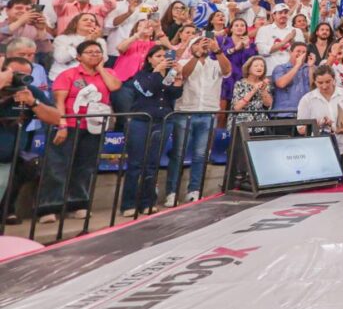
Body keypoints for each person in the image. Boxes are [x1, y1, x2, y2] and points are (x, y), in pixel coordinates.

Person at [37, 40, 122, 222]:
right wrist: (62, 125)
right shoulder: (67, 74)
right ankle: (48, 207)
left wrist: (100, 69)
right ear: (78, 57)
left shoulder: (108, 73)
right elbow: (59, 102)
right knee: (57, 166)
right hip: (69, 125)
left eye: (98, 52)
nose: (95, 55)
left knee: (85, 167)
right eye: (89, 52)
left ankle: (78, 204)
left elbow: (114, 87)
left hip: (94, 127)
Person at [165, 36, 229, 206]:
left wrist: (218, 51)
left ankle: (194, 190)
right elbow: (183, 74)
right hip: (185, 112)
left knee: (200, 155)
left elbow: (228, 70)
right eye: (199, 43)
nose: (203, 46)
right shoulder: (183, 61)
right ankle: (171, 193)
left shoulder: (215, 63)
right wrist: (195, 55)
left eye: (205, 43)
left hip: (208, 113)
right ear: (192, 46)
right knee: (178, 154)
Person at [120, 46, 182, 217]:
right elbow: (147, 90)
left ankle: (148, 202)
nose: (162, 58)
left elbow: (175, 93)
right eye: (158, 56)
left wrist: (179, 75)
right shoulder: (141, 76)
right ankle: (129, 204)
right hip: (140, 122)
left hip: (162, 121)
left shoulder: (169, 76)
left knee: (152, 165)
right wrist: (157, 72)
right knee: (135, 164)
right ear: (149, 58)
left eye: (165, 56)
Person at [0, 57, 61, 224]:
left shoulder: (29, 91)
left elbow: (56, 118)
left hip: (6, 160)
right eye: (16, 74)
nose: (21, 78)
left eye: (27, 75)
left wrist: (33, 102)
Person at [297, 65, 343, 171]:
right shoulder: (307, 99)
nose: (324, 86)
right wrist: (317, 124)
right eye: (320, 82)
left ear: (334, 79)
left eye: (328, 81)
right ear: (314, 81)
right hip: (318, 148)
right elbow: (300, 129)